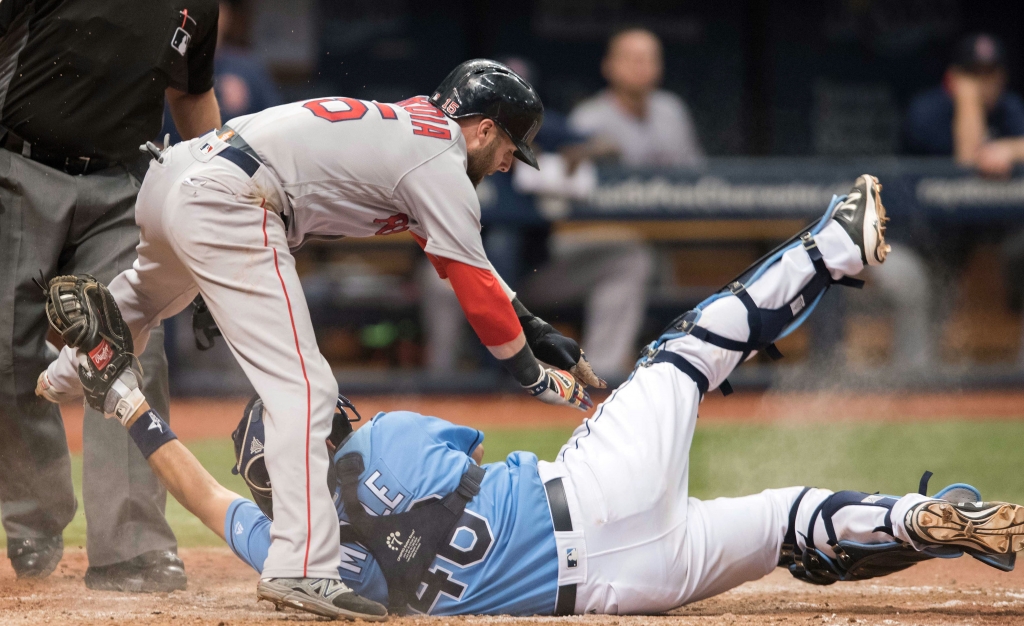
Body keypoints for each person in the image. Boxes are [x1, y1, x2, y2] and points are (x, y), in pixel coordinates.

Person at [57, 175, 1024, 618]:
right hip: (591, 493)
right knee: (689, 355)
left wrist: (128, 406)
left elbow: (206, 498)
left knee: (780, 525)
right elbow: (461, 456)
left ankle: (923, 517)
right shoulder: (382, 437)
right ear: (322, 425)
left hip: (617, 592)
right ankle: (832, 248)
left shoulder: (292, 550)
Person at [35, 59, 602, 617]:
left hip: (180, 171)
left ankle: (66, 370)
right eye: (509, 147)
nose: (508, 163)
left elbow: (459, 259)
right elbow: (476, 285)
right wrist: (530, 373)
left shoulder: (414, 130)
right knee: (305, 390)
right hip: (233, 198)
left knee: (145, 299)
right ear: (482, 128)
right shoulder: (441, 161)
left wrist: (541, 331)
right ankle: (301, 567)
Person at [0, 0, 221, 590]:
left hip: (125, 183)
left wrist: (221, 224)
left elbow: (192, 98)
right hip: (18, 164)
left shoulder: (197, 5)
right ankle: (34, 514)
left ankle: (134, 547)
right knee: (6, 351)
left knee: (129, 346)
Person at [420, 56, 651, 381]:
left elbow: (609, 146)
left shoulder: (538, 127)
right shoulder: (455, 135)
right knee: (436, 281)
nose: (509, 115)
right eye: (499, 104)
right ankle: (443, 387)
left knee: (628, 256)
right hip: (465, 271)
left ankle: (602, 384)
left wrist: (583, 152)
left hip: (537, 271)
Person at [569, 27, 704, 168]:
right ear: (608, 66)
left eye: (650, 59)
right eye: (633, 59)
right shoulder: (588, 119)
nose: (642, 67)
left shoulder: (672, 109)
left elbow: (695, 172)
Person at [905, 33, 1024, 177]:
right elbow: (968, 164)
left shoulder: (1010, 106)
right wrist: (969, 100)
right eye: (973, 73)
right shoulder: (928, 110)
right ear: (952, 76)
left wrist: (1008, 150)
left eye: (990, 72)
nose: (984, 82)